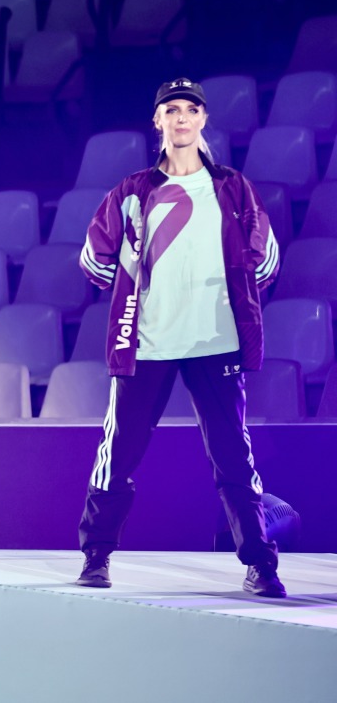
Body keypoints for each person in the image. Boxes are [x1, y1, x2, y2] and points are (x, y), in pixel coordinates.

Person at [76, 78, 286, 597]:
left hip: (215, 345)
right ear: (158, 122)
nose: (182, 118)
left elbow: (268, 261)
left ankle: (261, 564)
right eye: (171, 110)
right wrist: (135, 288)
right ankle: (96, 557)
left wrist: (226, 300)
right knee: (118, 454)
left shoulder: (234, 188)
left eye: (191, 109)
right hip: (145, 345)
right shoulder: (131, 192)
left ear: (203, 119)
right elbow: (92, 261)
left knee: (234, 459)